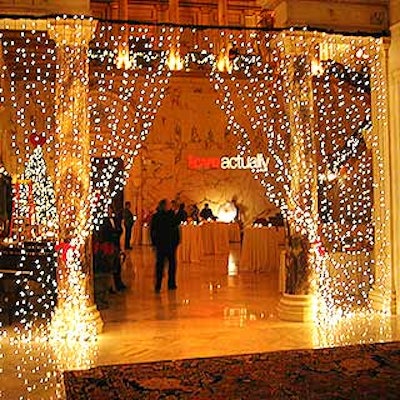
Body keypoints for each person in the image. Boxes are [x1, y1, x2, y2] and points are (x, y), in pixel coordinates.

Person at [150, 199, 180, 293]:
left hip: (165, 244)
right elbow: (153, 230)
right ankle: (166, 284)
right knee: (165, 265)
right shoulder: (167, 216)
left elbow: (152, 231)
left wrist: (154, 243)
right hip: (166, 244)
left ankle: (163, 284)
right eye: (168, 205)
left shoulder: (159, 216)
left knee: (165, 265)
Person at [99, 206, 127, 292]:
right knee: (110, 265)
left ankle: (118, 283)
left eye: (110, 210)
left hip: (116, 244)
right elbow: (105, 233)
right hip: (108, 246)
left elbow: (120, 229)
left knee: (117, 264)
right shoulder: (103, 221)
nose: (109, 211)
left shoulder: (115, 219)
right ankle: (111, 286)